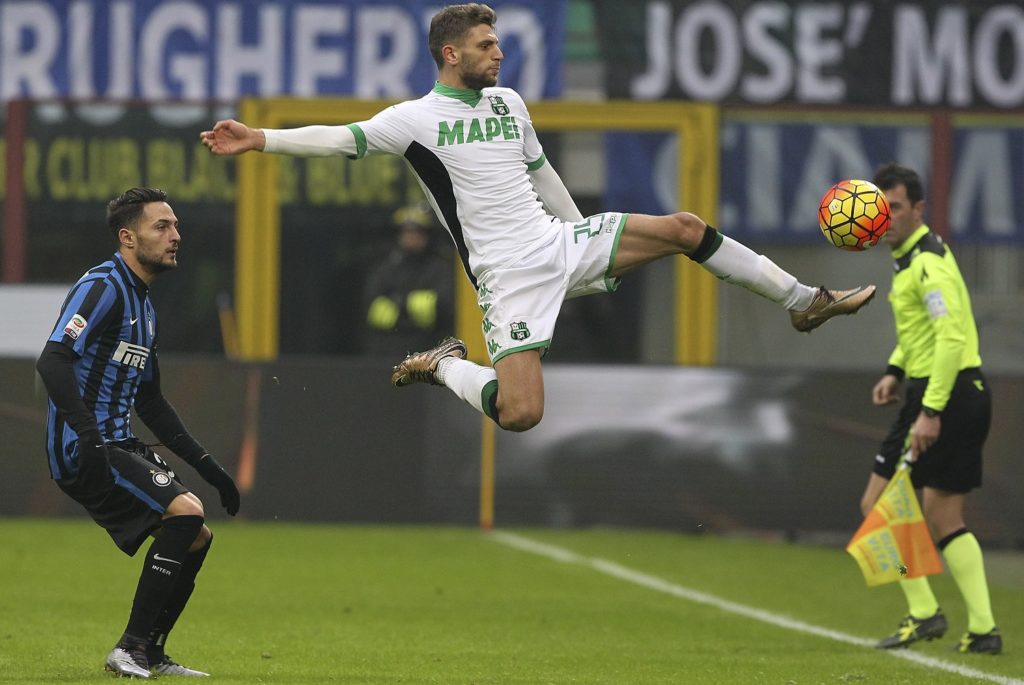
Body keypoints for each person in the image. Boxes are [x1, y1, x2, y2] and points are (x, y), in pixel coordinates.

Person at [200, 2, 875, 433]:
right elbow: (341, 136)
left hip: (558, 240)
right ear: (451, 54)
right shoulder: (412, 121)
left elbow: (542, 174)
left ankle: (804, 301)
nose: (499, 53)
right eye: (488, 45)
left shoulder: (509, 104)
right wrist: (264, 139)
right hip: (507, 276)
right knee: (522, 413)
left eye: (499, 44)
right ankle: (442, 367)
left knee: (686, 227)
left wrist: (587, 244)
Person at [36, 187, 241, 678]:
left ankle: (150, 652)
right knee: (185, 513)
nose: (176, 236)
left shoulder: (144, 307)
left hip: (116, 444)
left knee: (196, 535)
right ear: (128, 238)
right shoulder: (103, 287)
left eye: (175, 226)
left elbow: (151, 401)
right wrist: (87, 435)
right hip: (86, 447)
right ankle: (127, 648)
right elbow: (53, 359)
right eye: (162, 227)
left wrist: (210, 468)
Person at [860, 164, 1001, 654]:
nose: (885, 217)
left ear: (918, 209)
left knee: (877, 508)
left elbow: (951, 336)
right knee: (943, 516)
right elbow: (925, 333)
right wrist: (895, 370)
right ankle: (983, 631)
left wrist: (930, 410)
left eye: (894, 207)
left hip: (943, 396)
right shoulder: (915, 258)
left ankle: (923, 612)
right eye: (880, 208)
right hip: (965, 391)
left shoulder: (927, 262)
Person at [361, 204, 454, 356]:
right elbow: (373, 311)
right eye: (406, 232)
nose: (411, 237)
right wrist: (414, 307)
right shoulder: (385, 268)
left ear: (428, 236)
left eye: (417, 232)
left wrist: (398, 303)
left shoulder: (440, 268)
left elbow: (442, 307)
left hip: (429, 353)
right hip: (387, 353)